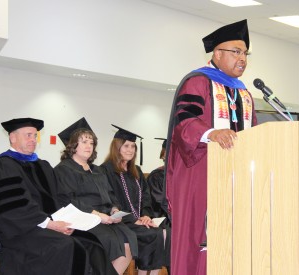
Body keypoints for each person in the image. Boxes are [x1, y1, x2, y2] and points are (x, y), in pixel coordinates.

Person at [165, 19, 257, 275]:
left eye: (245, 53)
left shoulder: (245, 93)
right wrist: (211, 133)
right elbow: (184, 123)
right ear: (217, 53)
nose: (243, 59)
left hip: (238, 178)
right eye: (236, 52)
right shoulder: (197, 82)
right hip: (201, 174)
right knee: (200, 237)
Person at [0, 117, 116, 275]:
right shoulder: (4, 165)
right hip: (19, 231)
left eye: (35, 135)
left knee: (91, 242)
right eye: (28, 135)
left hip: (48, 226)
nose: (33, 139)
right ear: (12, 137)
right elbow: (13, 208)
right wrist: (50, 224)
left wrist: (69, 221)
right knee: (67, 246)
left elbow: (59, 199)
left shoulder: (43, 166)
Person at [54, 117, 138, 275]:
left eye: (91, 143)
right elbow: (68, 200)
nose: (89, 146)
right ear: (72, 145)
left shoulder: (98, 170)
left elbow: (111, 194)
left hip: (106, 219)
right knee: (108, 242)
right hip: (83, 219)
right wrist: (98, 215)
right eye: (84, 142)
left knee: (129, 239)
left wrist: (114, 210)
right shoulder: (64, 169)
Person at [101, 125, 170, 275]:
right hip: (121, 222)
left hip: (140, 221)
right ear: (116, 147)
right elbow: (109, 199)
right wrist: (133, 219)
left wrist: (145, 215)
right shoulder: (105, 170)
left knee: (161, 233)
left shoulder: (136, 171)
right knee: (152, 234)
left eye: (133, 146)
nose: (130, 150)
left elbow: (146, 197)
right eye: (126, 145)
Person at [146, 138, 169, 220]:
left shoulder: (182, 176)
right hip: (163, 219)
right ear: (163, 155)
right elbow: (159, 204)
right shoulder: (156, 176)